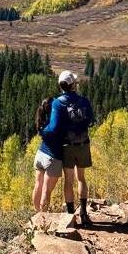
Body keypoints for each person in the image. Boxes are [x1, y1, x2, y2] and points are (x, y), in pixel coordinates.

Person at [41, 70, 94, 226]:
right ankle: (84, 213)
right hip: (83, 143)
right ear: (73, 85)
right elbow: (90, 120)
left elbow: (54, 126)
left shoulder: (58, 102)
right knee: (81, 179)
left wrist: (42, 132)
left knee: (69, 180)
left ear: (61, 85)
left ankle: (71, 216)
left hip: (67, 146)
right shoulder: (84, 101)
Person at [32, 96, 62, 211]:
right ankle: (43, 219)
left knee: (38, 186)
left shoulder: (42, 121)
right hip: (53, 158)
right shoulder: (56, 123)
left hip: (40, 155)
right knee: (46, 190)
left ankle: (36, 214)